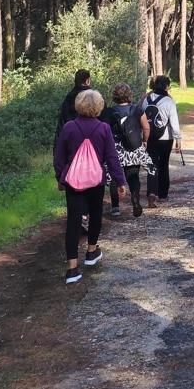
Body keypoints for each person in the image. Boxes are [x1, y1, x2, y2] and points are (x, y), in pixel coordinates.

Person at [54, 88, 127, 285]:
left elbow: (59, 156)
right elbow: (112, 157)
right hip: (96, 180)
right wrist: (120, 181)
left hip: (73, 182)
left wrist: (60, 177)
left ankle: (72, 269)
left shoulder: (69, 127)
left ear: (78, 105)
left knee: (73, 222)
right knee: (95, 215)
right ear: (99, 107)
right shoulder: (103, 128)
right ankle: (91, 251)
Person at [106, 83, 151, 218]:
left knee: (114, 178)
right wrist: (144, 141)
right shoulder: (137, 110)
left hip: (115, 150)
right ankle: (135, 200)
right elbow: (146, 127)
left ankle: (115, 207)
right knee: (133, 177)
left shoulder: (109, 112)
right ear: (129, 95)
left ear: (114, 96)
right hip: (133, 148)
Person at [141, 75, 181, 205]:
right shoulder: (169, 101)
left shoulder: (146, 99)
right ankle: (163, 194)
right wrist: (178, 139)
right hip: (165, 138)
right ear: (167, 86)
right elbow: (174, 121)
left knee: (151, 164)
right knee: (163, 165)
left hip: (149, 136)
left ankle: (152, 192)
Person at [56, 68, 92, 135]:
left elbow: (62, 124)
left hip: (71, 137)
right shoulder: (95, 98)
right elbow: (104, 120)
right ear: (87, 81)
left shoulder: (68, 98)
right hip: (90, 139)